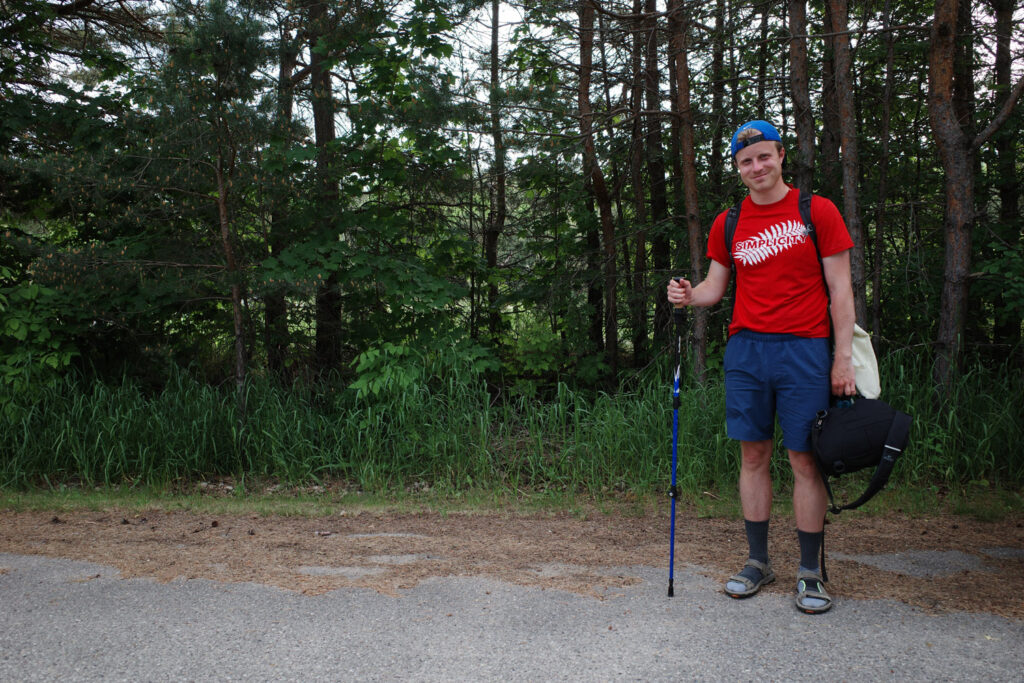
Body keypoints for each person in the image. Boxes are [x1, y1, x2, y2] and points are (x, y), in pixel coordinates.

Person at [667, 120, 856, 614]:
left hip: (805, 350)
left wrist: (842, 359)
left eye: (764, 157)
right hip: (747, 350)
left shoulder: (817, 211)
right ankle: (757, 562)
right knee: (753, 456)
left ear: (780, 155)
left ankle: (810, 571)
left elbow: (841, 291)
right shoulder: (728, 222)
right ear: (738, 168)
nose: (757, 167)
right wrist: (689, 296)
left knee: (803, 459)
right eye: (746, 162)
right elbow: (714, 288)